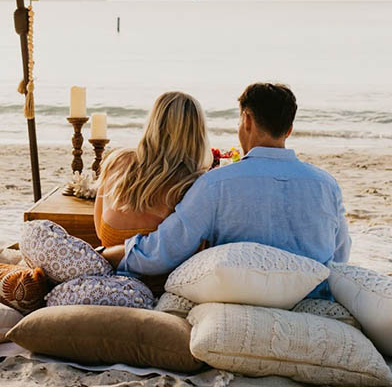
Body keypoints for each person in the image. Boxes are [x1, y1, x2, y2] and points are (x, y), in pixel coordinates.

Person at [102, 82, 351, 299]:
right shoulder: (327, 184)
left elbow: (162, 251)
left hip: (243, 300)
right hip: (314, 298)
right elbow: (340, 256)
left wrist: (108, 254)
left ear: (247, 120)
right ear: (289, 130)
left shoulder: (216, 185)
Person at [93, 91, 212, 248]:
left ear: (153, 123)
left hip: (110, 266)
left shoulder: (117, 161)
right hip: (162, 273)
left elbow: (100, 232)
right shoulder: (193, 185)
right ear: (197, 134)